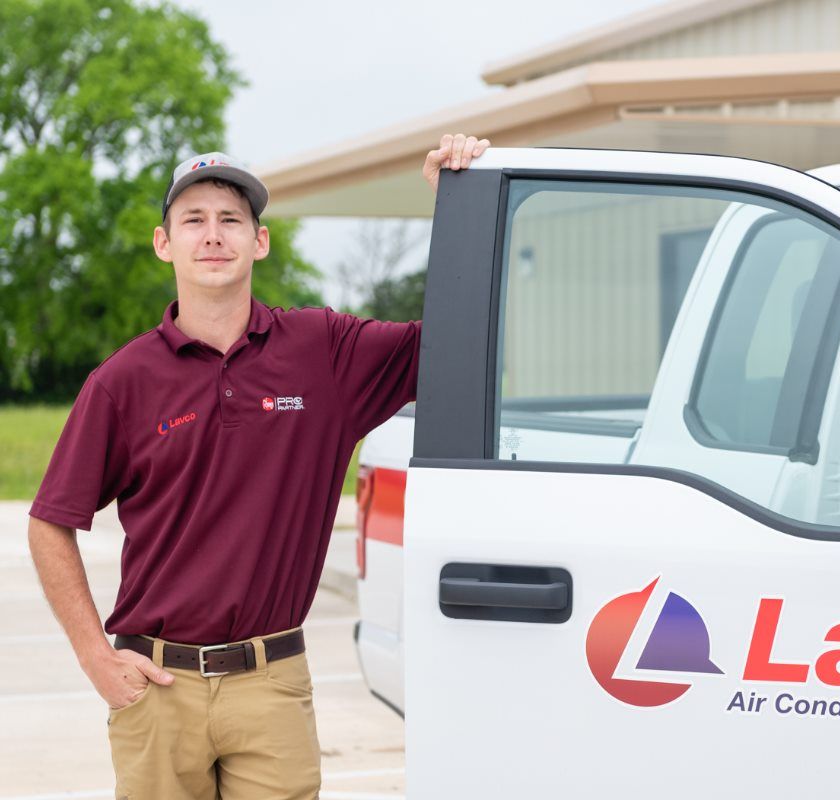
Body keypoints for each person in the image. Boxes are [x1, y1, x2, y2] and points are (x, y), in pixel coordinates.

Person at [26, 132, 491, 799]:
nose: (213, 235)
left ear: (259, 241)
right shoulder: (121, 383)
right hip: (156, 689)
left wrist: (459, 206)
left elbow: (456, 339)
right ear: (165, 243)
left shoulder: (325, 353)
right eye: (193, 220)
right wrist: (94, 656)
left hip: (271, 683)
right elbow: (50, 523)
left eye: (230, 220)